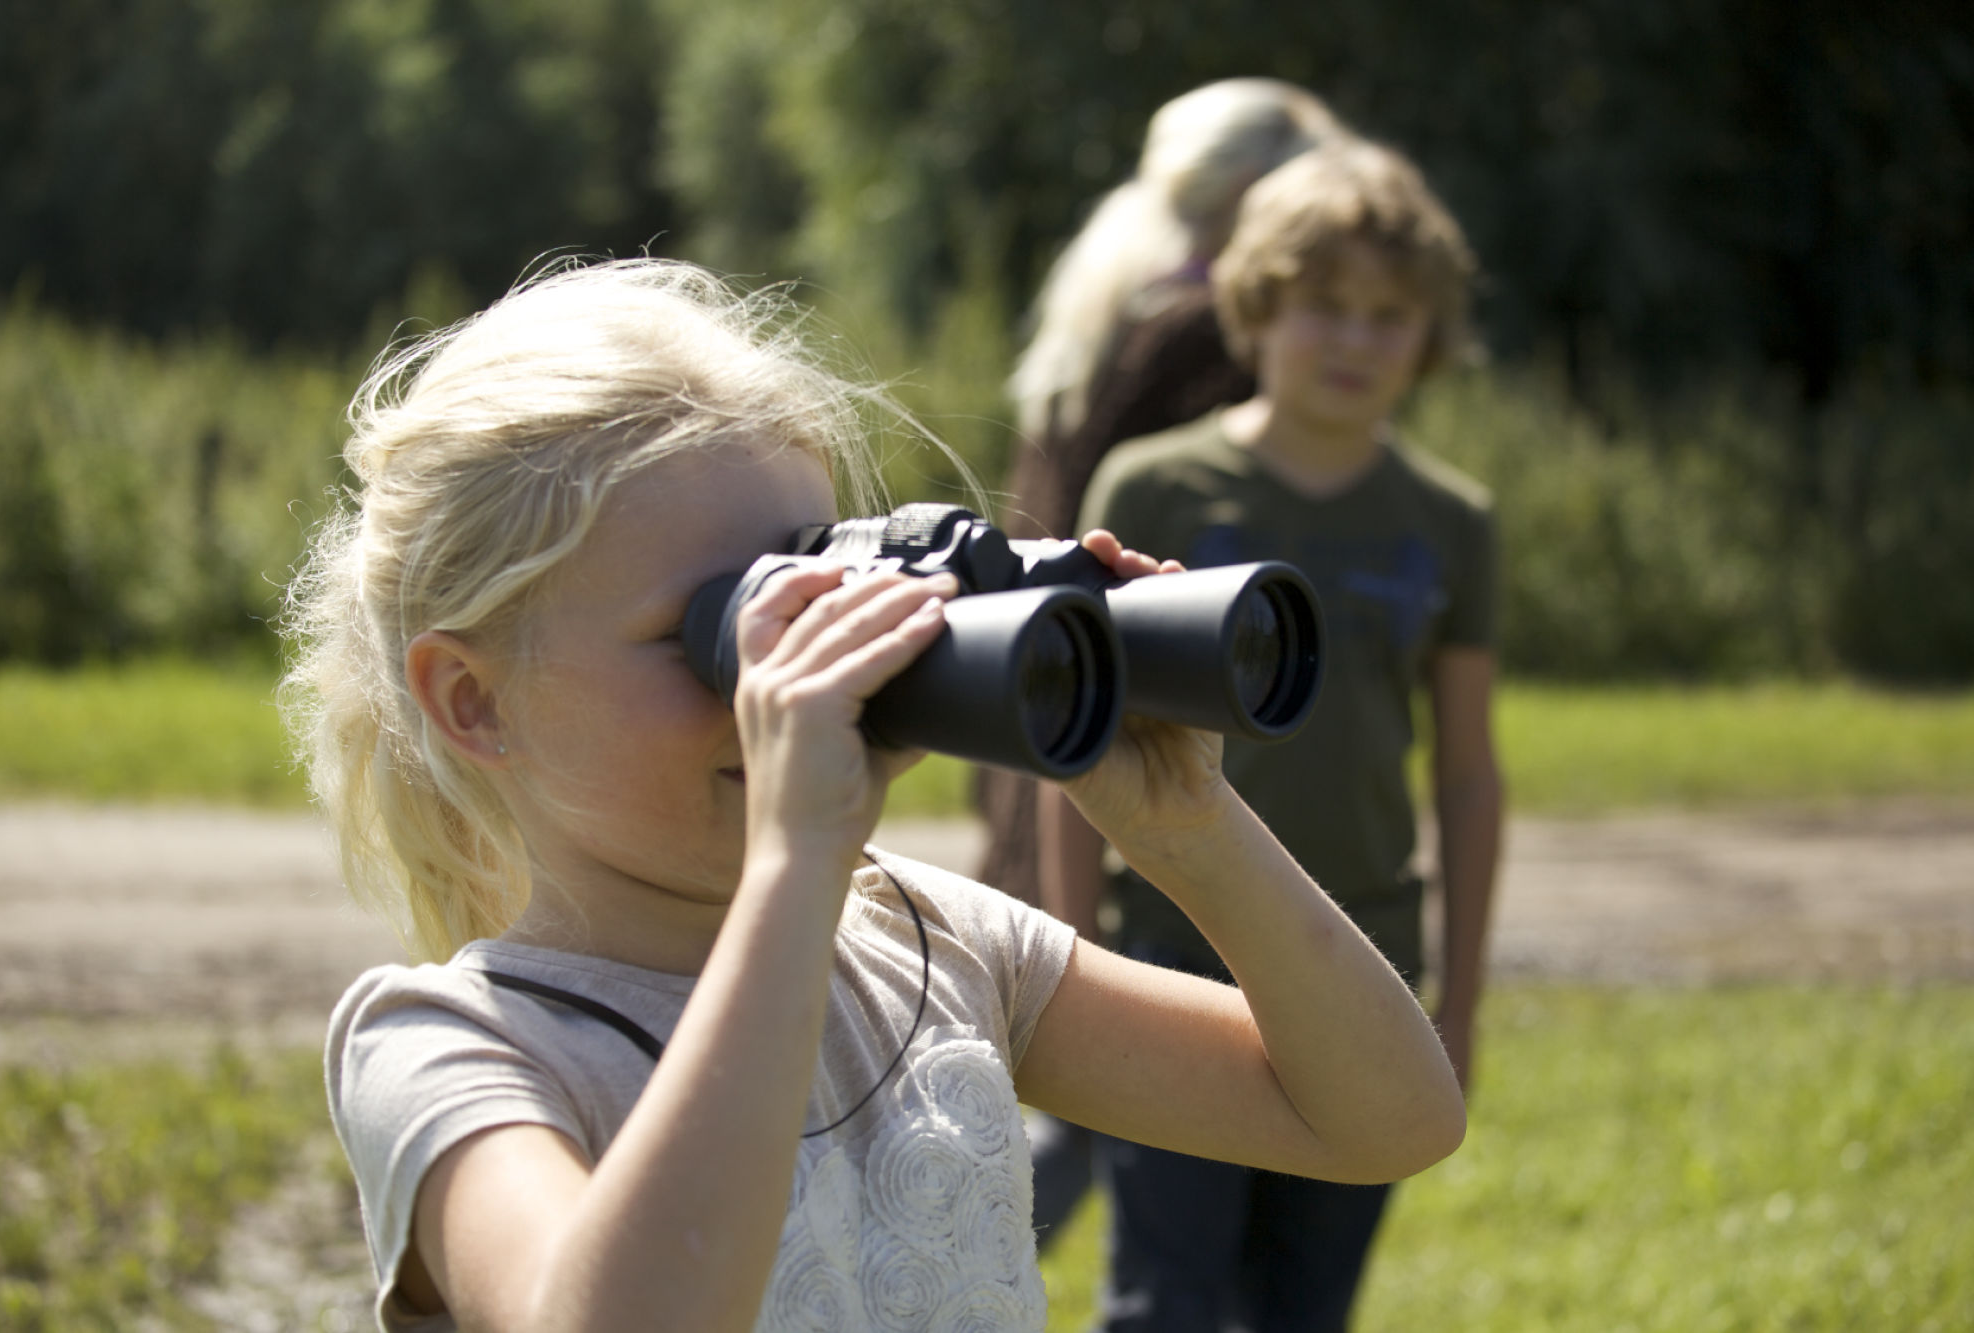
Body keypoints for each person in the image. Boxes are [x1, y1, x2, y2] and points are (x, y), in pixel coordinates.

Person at [281, 257, 1464, 1332]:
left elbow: (1383, 1121)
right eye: (727, 629)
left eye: (823, 588)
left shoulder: (937, 941)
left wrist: (1195, 831)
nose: (808, 669)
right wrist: (794, 866)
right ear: (474, 701)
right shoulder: (452, 1046)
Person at [1050, 143, 1506, 1330]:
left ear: (1428, 334)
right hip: (1167, 947)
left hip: (1361, 948)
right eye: (1322, 306)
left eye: (1387, 315)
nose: (1354, 341)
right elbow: (1070, 736)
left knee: (1304, 1305)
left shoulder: (1450, 521)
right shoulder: (1151, 487)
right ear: (1253, 306)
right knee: (1164, 1295)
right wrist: (1067, 954)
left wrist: (1453, 997)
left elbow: (1465, 773)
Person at [979, 77, 1350, 918]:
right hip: (1117, 669)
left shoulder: (1111, 301)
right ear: (1255, 198)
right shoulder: (1208, 331)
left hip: (1041, 653)